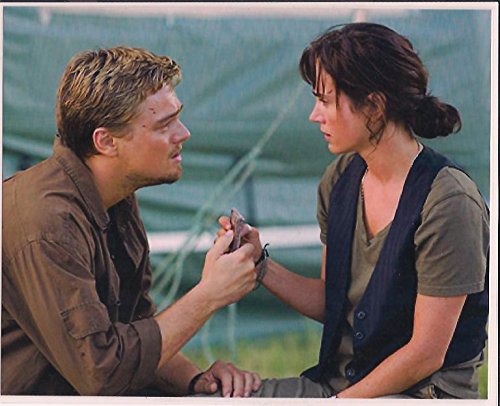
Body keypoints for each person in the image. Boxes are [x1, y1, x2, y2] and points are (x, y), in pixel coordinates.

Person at [218, 22, 489, 399]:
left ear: (374, 107)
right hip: (341, 387)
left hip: (420, 394)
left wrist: (337, 403)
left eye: (325, 101)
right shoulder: (340, 178)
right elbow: (332, 301)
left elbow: (426, 354)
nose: (314, 115)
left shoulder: (448, 201)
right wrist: (258, 263)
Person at [2, 46, 263, 397]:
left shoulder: (115, 194)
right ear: (106, 141)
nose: (183, 133)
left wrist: (194, 379)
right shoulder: (47, 225)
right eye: (164, 124)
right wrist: (209, 295)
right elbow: (102, 374)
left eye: (177, 117)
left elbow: (135, 330)